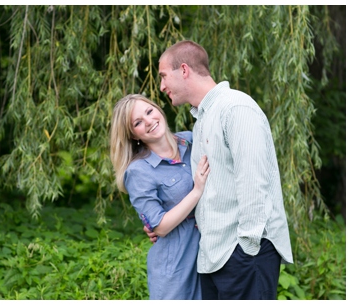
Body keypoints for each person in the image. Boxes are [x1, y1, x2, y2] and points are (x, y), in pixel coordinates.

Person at [155, 40, 294, 299]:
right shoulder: (203, 119)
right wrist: (160, 223)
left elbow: (253, 181)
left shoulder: (235, 108)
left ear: (183, 70)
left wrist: (247, 248)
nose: (162, 86)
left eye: (164, 76)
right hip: (215, 256)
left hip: (243, 255)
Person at [110, 94, 210, 299]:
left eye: (149, 111)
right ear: (133, 135)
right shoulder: (138, 171)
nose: (149, 121)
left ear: (158, 110)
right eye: (138, 122)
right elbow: (161, 227)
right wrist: (197, 192)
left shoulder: (193, 140)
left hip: (212, 254)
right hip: (176, 266)